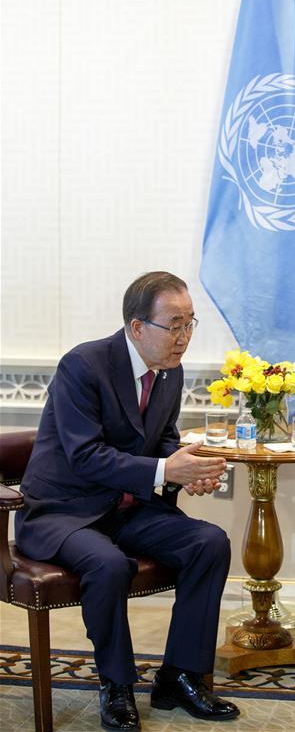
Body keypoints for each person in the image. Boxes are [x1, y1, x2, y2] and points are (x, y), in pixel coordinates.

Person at [15, 271, 240, 730]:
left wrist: (184, 473)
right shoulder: (83, 365)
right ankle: (116, 686)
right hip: (63, 512)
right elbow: (84, 455)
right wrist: (163, 471)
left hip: (124, 507)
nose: (183, 338)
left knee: (209, 542)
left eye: (190, 324)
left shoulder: (170, 373)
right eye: (173, 325)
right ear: (138, 327)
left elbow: (163, 443)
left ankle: (179, 676)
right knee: (109, 564)